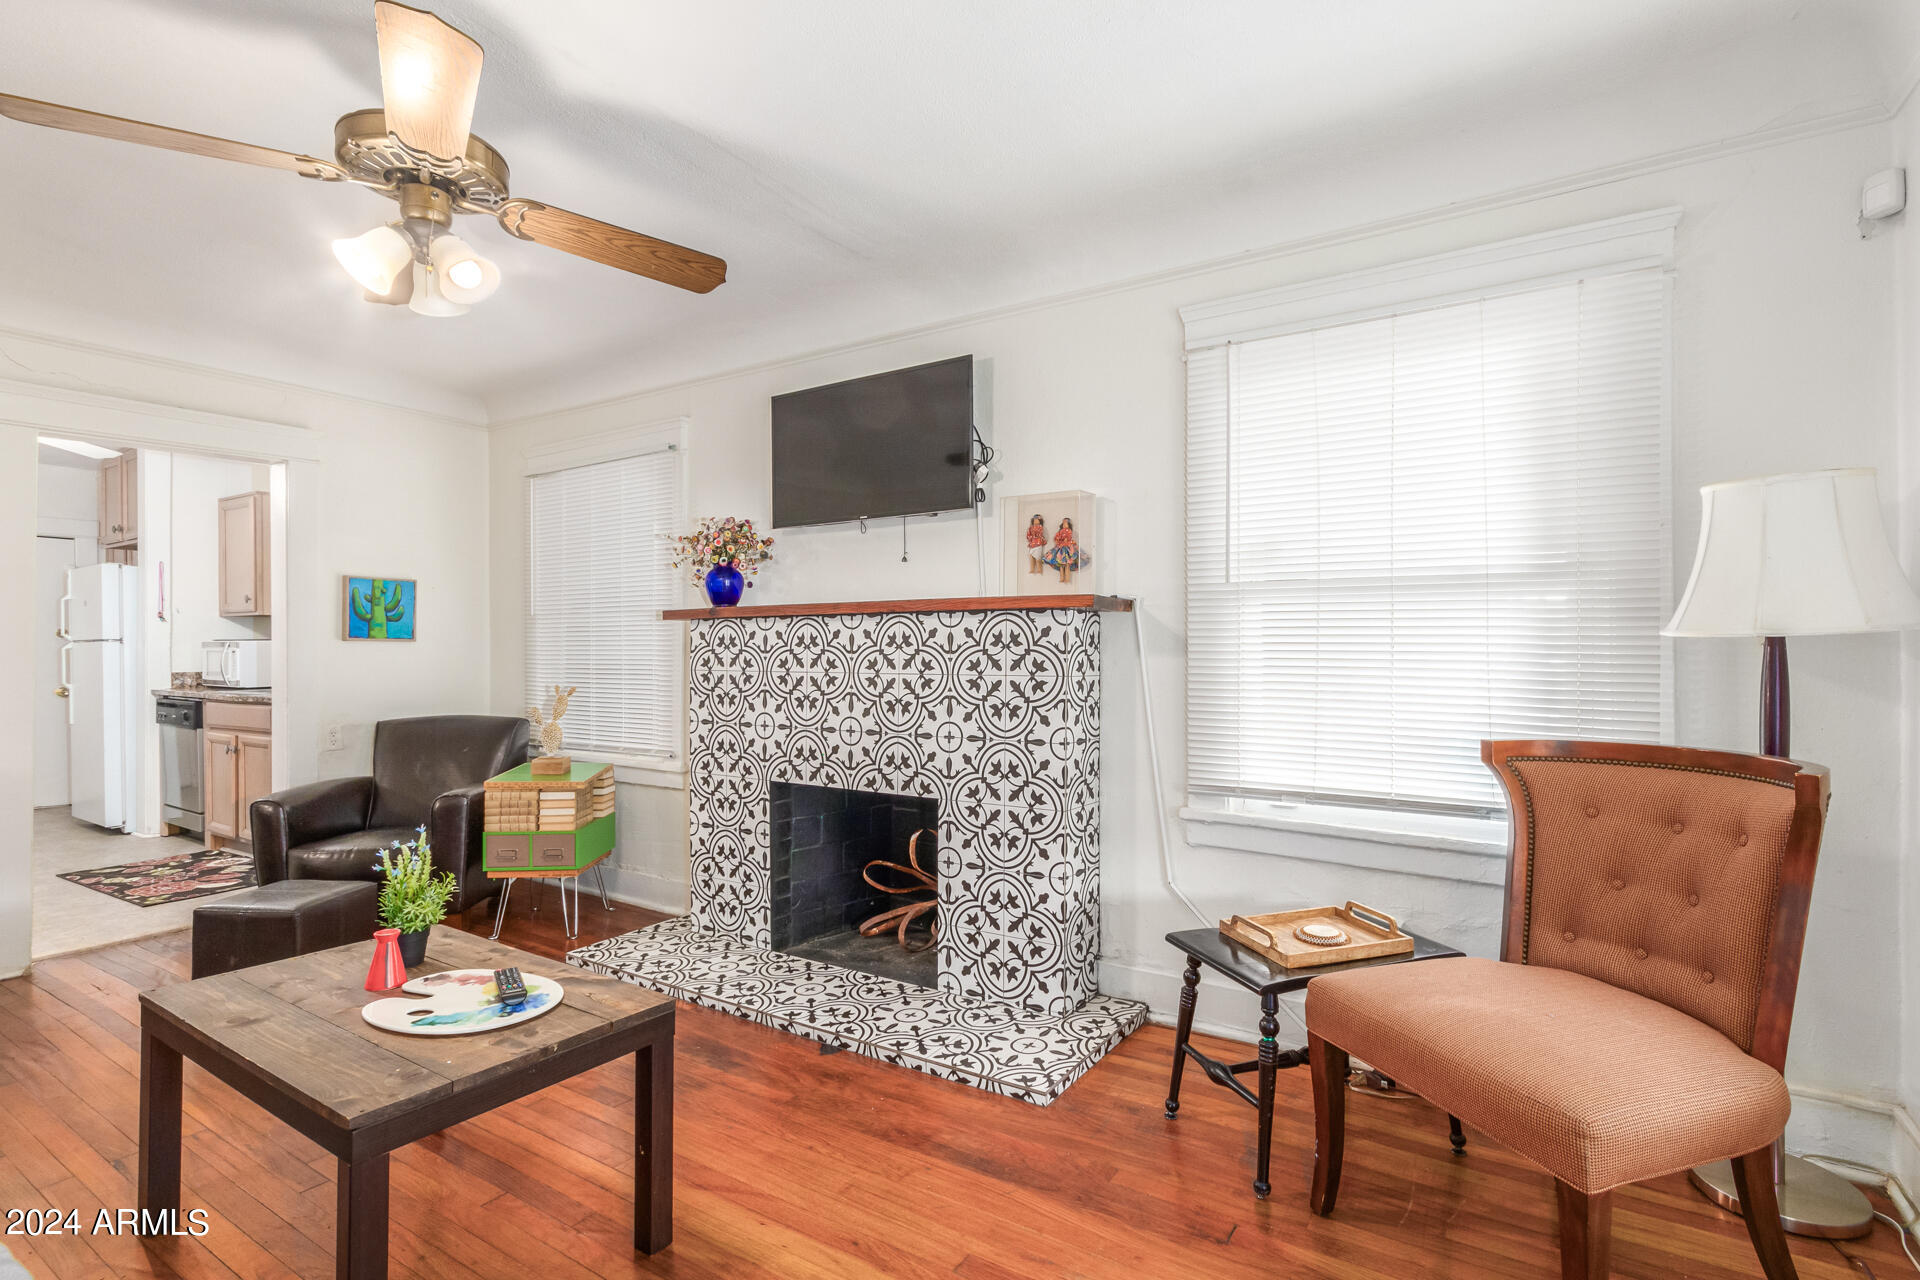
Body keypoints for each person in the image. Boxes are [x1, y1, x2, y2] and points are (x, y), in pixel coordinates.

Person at [1042, 516, 1089, 583]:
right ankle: (1062, 578)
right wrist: (1060, 541)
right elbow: (1056, 538)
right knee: (1061, 565)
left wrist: (1066, 541)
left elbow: (1068, 537)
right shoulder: (1060, 532)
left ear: (1069, 525)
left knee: (1067, 565)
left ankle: (1067, 578)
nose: (1065, 525)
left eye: (1066, 524)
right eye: (1063, 524)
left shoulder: (1069, 531)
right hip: (1061, 549)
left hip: (1068, 549)